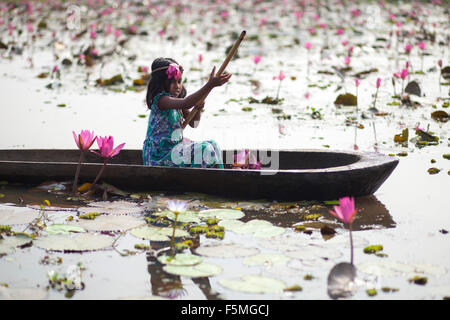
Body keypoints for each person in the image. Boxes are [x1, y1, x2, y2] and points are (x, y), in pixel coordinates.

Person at [143, 57, 231, 168]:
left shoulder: (178, 104)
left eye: (179, 81)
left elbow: (194, 123)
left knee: (213, 144)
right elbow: (187, 103)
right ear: (161, 83)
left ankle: (221, 178)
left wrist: (198, 108)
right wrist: (209, 85)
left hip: (174, 152)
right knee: (204, 149)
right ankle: (193, 182)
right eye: (172, 82)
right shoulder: (162, 101)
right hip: (159, 156)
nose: (177, 86)